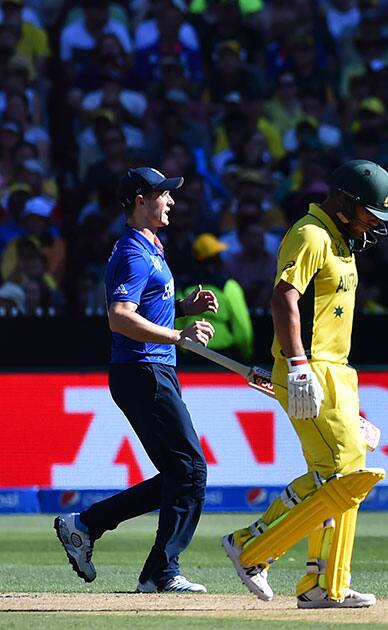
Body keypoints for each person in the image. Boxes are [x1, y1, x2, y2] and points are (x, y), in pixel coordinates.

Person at [223, 160, 388, 609]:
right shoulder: (309, 234)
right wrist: (298, 365)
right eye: (370, 214)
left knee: (330, 477)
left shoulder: (341, 240)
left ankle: (295, 570)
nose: (374, 225)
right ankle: (277, 562)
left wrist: (351, 408)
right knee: (347, 476)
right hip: (312, 368)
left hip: (337, 371)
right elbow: (284, 296)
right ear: (345, 201)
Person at [54, 167, 218, 593]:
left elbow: (144, 306)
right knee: (191, 470)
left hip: (150, 368)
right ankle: (160, 572)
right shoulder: (132, 251)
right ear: (141, 199)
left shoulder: (149, 247)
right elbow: (120, 317)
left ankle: (86, 525)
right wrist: (178, 335)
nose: (172, 201)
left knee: (180, 473)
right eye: (165, 195)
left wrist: (181, 306)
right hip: (144, 369)